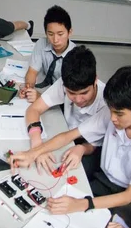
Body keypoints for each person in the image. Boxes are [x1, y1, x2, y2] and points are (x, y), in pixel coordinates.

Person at [12, 67, 131, 227]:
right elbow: (70, 135)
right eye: (111, 111)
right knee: (59, 209)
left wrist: (80, 204)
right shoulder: (114, 111)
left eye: (119, 114)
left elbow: (128, 196)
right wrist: (33, 152)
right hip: (104, 179)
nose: (112, 118)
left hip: (130, 197)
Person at [22, 46, 106, 174]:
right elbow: (33, 109)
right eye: (71, 93)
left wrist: (82, 148)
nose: (78, 99)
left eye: (84, 93)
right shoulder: (65, 82)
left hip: (90, 146)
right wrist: (36, 142)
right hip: (67, 134)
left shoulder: (106, 103)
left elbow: (98, 143)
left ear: (95, 80)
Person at [20, 5, 75, 102]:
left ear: (69, 32)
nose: (55, 40)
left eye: (60, 34)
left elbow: (71, 94)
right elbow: (32, 72)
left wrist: (41, 98)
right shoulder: (41, 43)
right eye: (50, 34)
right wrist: (29, 88)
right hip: (48, 89)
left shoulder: (76, 56)